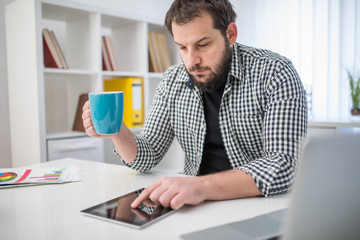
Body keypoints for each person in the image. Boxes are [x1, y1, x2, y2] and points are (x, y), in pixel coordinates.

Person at [82, 0, 307, 210]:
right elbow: (147, 155)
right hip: (195, 204)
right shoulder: (172, 80)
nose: (192, 61)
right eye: (182, 47)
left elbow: (284, 165)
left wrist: (200, 186)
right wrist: (118, 131)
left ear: (230, 34)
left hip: (258, 206)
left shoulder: (275, 72)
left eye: (202, 44)